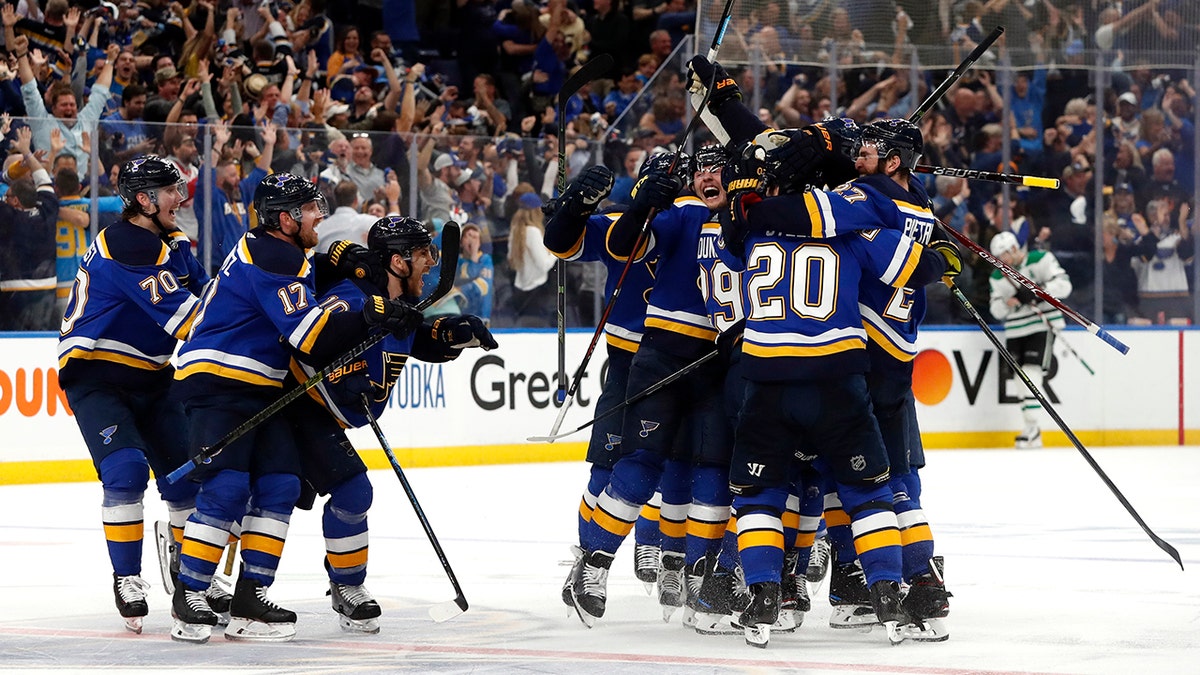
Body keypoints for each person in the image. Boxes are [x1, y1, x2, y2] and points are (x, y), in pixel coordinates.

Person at [714, 119, 962, 646]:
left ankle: (770, 590)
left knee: (773, 491)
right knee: (877, 487)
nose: (858, 156)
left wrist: (744, 189)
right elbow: (908, 265)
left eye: (867, 150)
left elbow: (743, 231)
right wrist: (943, 257)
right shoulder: (872, 211)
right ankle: (901, 590)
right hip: (856, 369)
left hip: (773, 374)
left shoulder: (766, 219)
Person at [170, 173, 424, 643]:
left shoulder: (289, 252)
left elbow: (321, 274)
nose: (318, 216)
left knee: (281, 484)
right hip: (220, 379)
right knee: (227, 488)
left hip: (258, 387)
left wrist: (345, 265)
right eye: (309, 210)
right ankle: (190, 595)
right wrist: (370, 314)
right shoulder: (274, 254)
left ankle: (250, 596)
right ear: (284, 219)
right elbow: (307, 334)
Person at [289, 216, 496, 633]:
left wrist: (453, 334)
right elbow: (309, 338)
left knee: (280, 497)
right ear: (399, 262)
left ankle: (342, 584)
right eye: (424, 254)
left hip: (324, 419)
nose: (431, 263)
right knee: (303, 494)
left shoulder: (397, 306)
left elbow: (416, 336)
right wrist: (339, 374)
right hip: (295, 408)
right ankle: (200, 566)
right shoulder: (352, 297)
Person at [56, 155, 213, 633]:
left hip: (154, 375)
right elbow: (193, 320)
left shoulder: (167, 240)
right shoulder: (127, 244)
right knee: (125, 471)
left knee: (185, 480)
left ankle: (190, 577)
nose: (180, 198)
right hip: (97, 376)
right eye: (171, 191)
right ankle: (127, 577)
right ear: (144, 200)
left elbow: (207, 295)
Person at [987, 231, 1072, 449]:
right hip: (1015, 330)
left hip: (1041, 325)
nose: (1000, 262)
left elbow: (1064, 285)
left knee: (1032, 372)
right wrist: (1010, 302)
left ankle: (1033, 427)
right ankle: (1030, 428)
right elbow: (996, 310)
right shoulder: (997, 277)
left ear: (1014, 249)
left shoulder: (1040, 259)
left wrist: (1037, 292)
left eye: (1003, 256)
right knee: (1019, 378)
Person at [0, 126, 59, 331]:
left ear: (15, 201)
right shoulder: (48, 210)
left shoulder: (7, 216)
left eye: (6, 196)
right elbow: (43, 178)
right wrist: (26, 152)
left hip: (13, 295)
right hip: (47, 291)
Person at [507, 191, 558, 326]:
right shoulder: (533, 232)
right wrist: (556, 252)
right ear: (536, 210)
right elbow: (544, 264)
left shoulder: (515, 230)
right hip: (536, 293)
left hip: (520, 290)